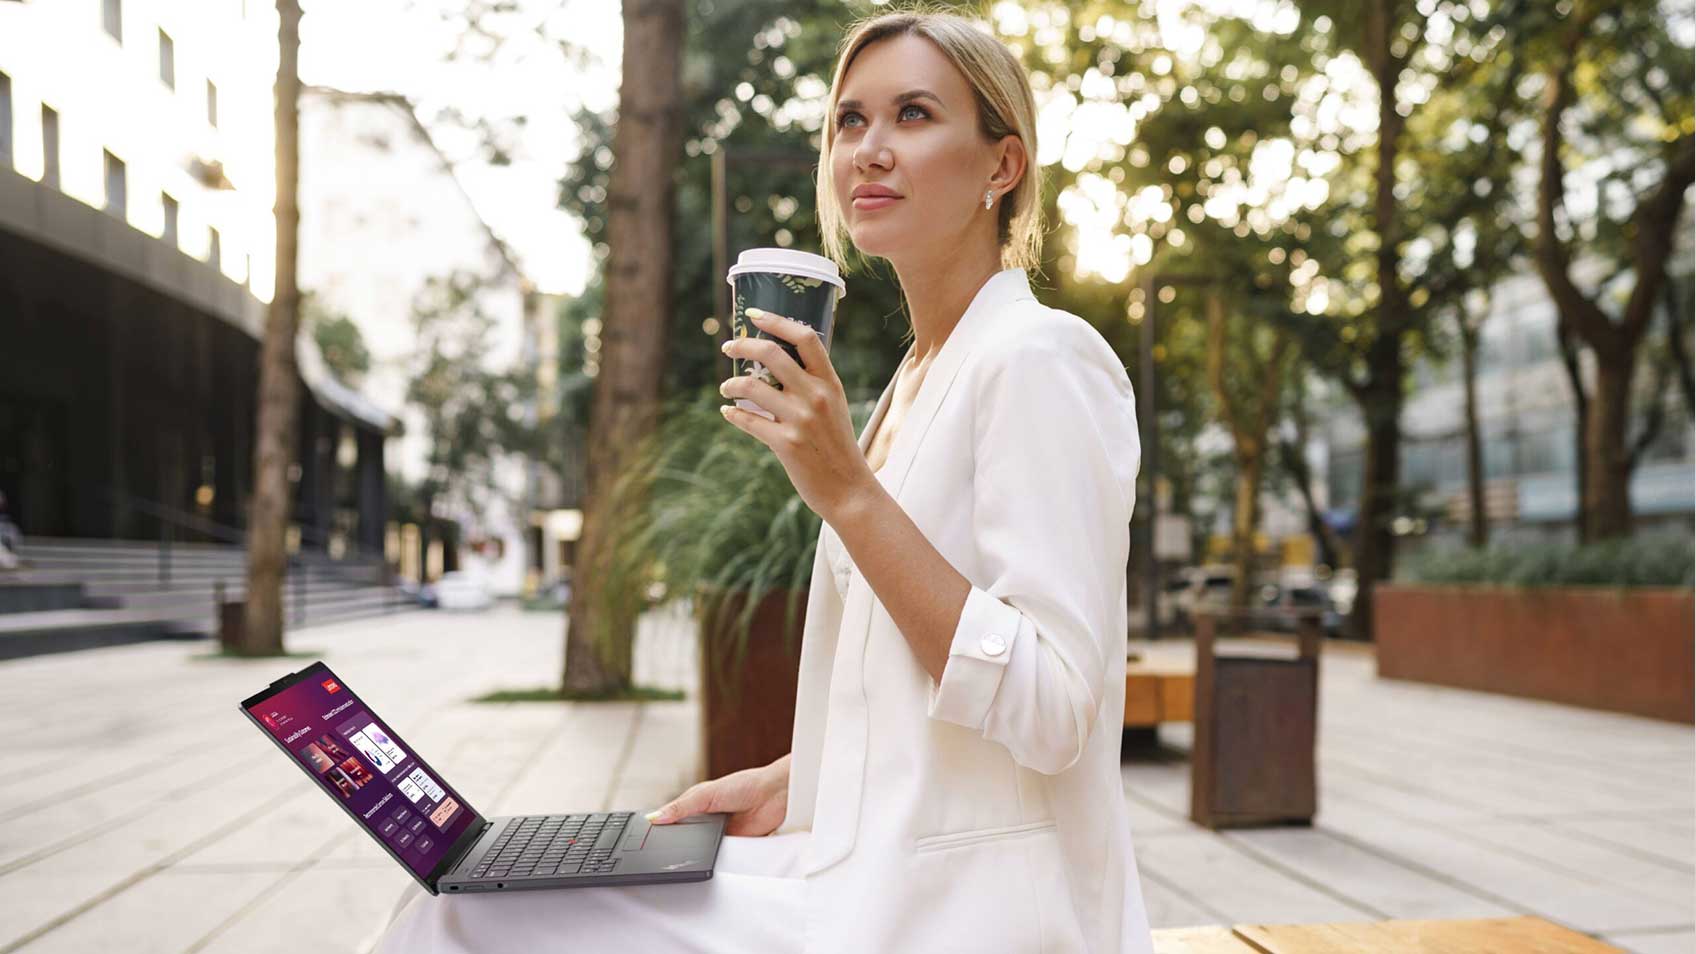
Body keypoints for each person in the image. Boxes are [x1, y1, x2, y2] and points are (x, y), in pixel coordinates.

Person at [376, 9, 1153, 953]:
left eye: (912, 115)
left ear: (1002, 165)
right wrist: (794, 777)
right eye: (848, 122)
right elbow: (906, 701)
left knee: (460, 914)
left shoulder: (1040, 358)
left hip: (976, 909)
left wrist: (849, 495)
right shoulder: (916, 378)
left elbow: (1054, 708)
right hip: (862, 866)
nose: (868, 149)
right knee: (461, 886)